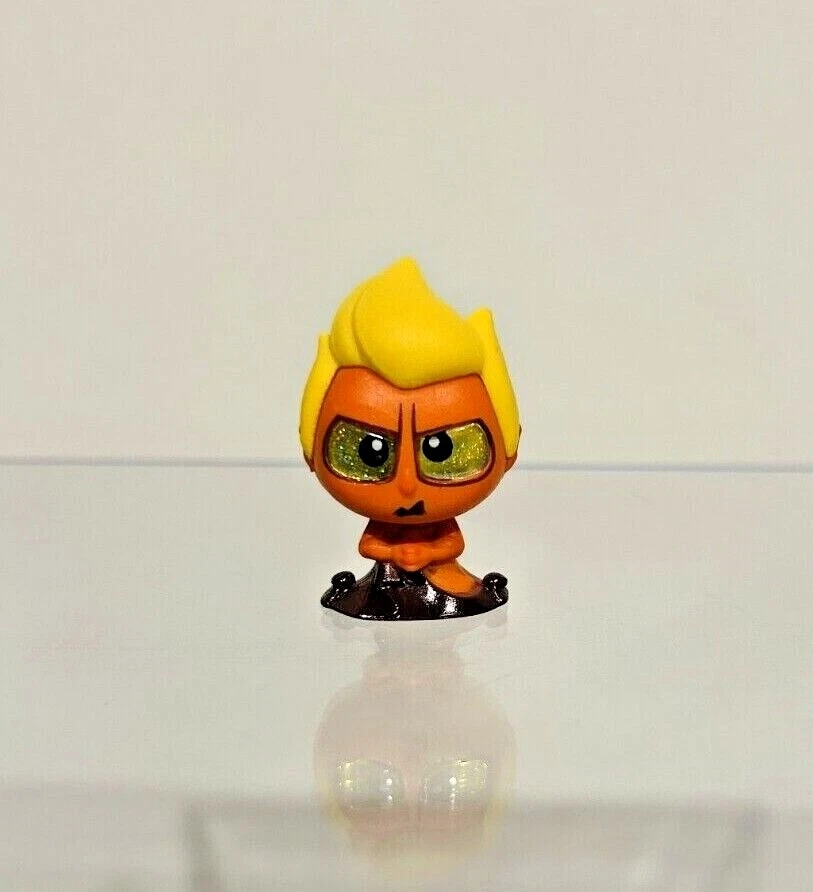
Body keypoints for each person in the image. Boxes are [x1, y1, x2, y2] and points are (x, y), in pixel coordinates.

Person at [300, 258, 520, 619]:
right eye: (368, 453)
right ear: (310, 451)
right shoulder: (387, 523)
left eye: (445, 451)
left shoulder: (438, 524)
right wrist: (394, 553)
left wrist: (427, 553)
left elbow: (453, 543)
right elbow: (369, 545)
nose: (406, 485)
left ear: (509, 451)